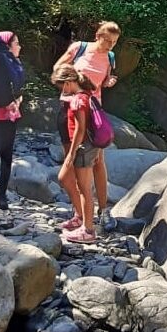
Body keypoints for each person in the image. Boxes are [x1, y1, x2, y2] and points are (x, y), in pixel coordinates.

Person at [53, 21, 121, 231]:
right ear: (98, 36)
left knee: (98, 162)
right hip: (68, 107)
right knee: (71, 160)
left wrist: (108, 82)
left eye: (114, 42)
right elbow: (57, 69)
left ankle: (103, 211)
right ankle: (79, 213)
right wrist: (73, 77)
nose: (110, 45)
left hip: (91, 112)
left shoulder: (110, 57)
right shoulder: (79, 48)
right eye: (107, 40)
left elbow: (104, 81)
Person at [52, 65, 100, 244]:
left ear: (68, 83)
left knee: (84, 188)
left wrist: (71, 153)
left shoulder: (78, 100)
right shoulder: (85, 95)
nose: (61, 90)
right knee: (65, 178)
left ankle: (88, 230)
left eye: (61, 86)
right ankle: (81, 217)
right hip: (85, 147)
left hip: (82, 148)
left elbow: (80, 128)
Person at [0, 31, 22, 210]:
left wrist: (18, 100)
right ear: (7, 46)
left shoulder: (16, 64)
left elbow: (20, 89)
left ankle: (1, 196)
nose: (19, 47)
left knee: (7, 156)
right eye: (16, 43)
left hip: (11, 116)